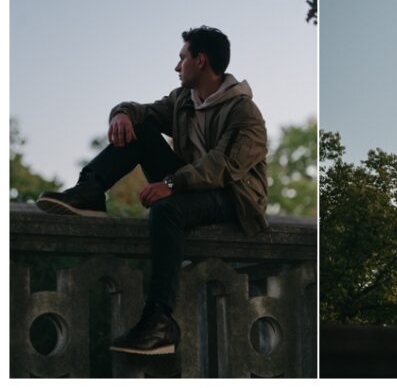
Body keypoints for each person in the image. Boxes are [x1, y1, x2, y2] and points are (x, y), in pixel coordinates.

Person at [37, 26, 269, 355]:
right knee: (141, 128)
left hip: (234, 196)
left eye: (182, 58)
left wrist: (171, 185)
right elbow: (142, 112)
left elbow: (224, 166)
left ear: (200, 61)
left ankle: (160, 321)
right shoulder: (182, 101)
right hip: (191, 188)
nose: (177, 67)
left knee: (167, 211)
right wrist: (121, 114)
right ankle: (90, 190)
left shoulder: (245, 112)